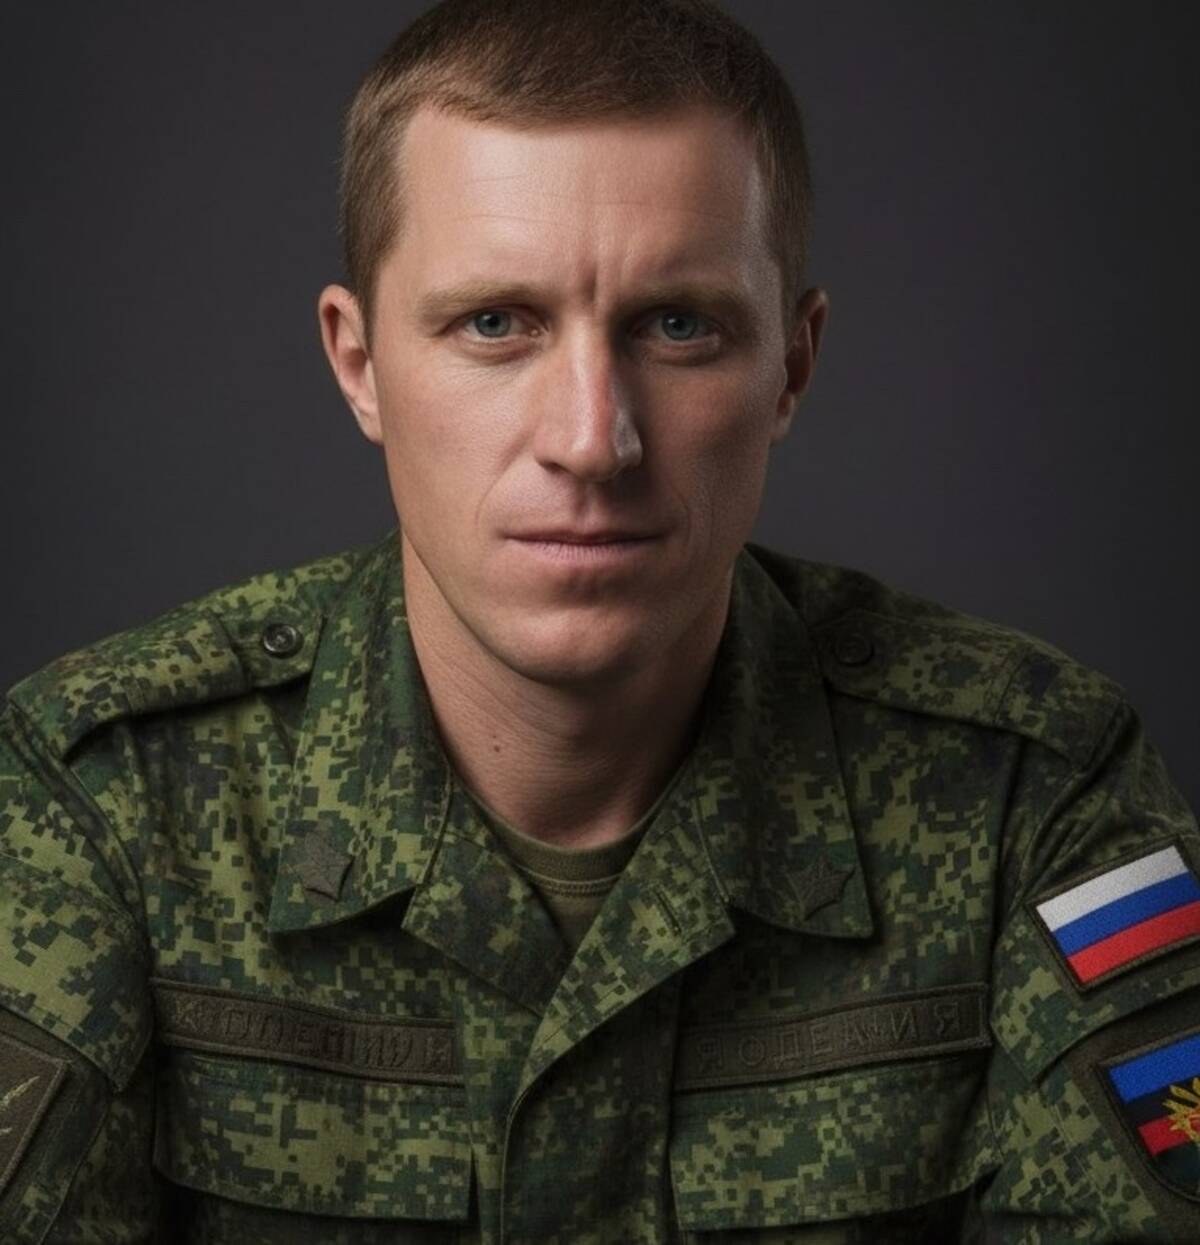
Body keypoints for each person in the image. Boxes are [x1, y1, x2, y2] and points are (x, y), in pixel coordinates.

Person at [1, 0, 1197, 1240]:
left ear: (790, 368)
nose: (591, 439)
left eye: (678, 326)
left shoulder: (1032, 798)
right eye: (495, 324)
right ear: (360, 366)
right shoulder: (104, 803)